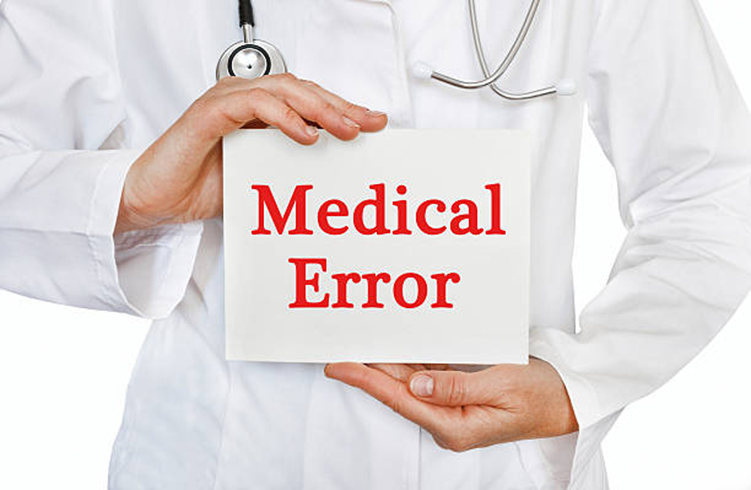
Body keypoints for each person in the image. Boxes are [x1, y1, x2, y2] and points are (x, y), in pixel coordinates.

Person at [1, 0, 749, 489]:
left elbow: (710, 189)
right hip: (221, 456)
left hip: (498, 472)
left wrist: (579, 381)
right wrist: (133, 196)